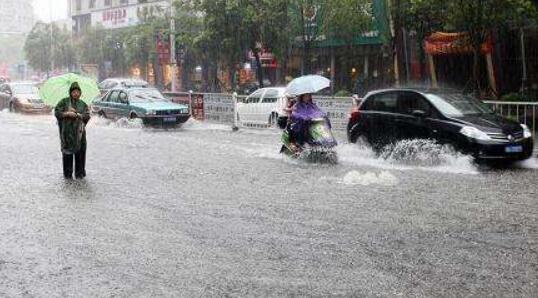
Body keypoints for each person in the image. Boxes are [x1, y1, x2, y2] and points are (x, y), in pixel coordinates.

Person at [54, 82, 91, 179]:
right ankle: (68, 176)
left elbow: (87, 116)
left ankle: (79, 175)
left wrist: (78, 114)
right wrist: (66, 113)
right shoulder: (64, 102)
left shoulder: (83, 104)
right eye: (74, 92)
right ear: (70, 92)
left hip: (79, 135)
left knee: (80, 155)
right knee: (67, 155)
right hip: (67, 135)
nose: (76, 93)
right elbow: (57, 112)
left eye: (78, 92)